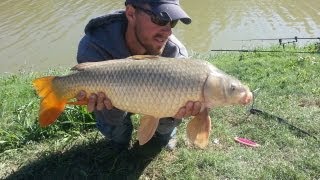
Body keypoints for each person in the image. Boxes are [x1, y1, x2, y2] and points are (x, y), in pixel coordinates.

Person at [76, 0, 201, 152]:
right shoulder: (95, 45)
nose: (168, 32)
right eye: (160, 19)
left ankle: (163, 136)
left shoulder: (175, 54)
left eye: (173, 22)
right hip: (114, 100)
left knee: (170, 116)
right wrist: (103, 105)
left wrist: (179, 108)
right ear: (131, 13)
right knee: (115, 131)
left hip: (158, 102)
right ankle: (120, 140)